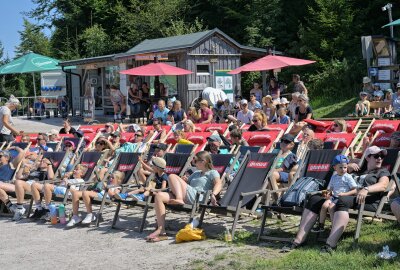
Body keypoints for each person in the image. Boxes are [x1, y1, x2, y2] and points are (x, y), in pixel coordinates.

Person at [286, 146, 390, 253]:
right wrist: (347, 167)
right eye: (377, 156)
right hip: (346, 196)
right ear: (367, 158)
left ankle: (330, 244)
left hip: (366, 201)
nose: (380, 159)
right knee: (314, 199)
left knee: (342, 200)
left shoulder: (382, 171)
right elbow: (338, 173)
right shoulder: (357, 170)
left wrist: (366, 189)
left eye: (382, 156)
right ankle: (299, 240)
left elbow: (383, 185)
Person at [145, 151, 222, 242]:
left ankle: (179, 199)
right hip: (187, 195)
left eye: (195, 160)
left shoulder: (213, 172)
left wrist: (213, 194)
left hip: (197, 198)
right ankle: (161, 231)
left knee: (172, 176)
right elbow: (183, 186)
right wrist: (184, 181)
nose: (193, 162)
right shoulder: (196, 173)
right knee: (159, 196)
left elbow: (218, 184)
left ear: (203, 161)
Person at [311, 155, 358, 233]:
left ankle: (334, 227)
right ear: (334, 168)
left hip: (343, 198)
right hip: (334, 197)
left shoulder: (348, 177)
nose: (343, 169)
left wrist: (345, 194)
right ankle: (321, 225)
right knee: (324, 205)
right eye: (340, 167)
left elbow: (355, 190)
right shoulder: (334, 177)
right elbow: (330, 189)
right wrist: (327, 193)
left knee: (331, 207)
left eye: (345, 167)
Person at [0, 147, 25, 212]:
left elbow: (22, 152)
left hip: (7, 184)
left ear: (7, 158)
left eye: (0, 156)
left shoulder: (11, 165)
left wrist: (14, 147)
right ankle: (11, 206)